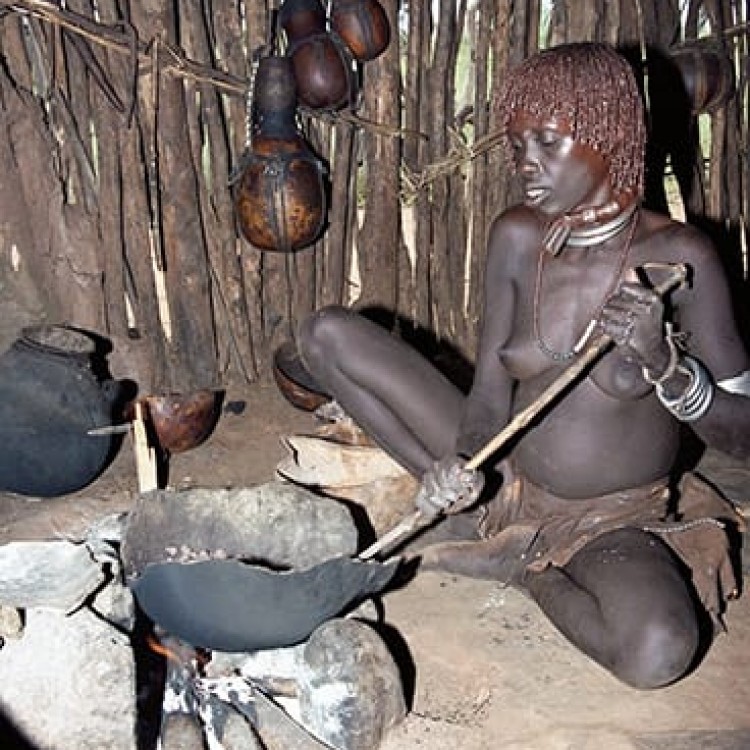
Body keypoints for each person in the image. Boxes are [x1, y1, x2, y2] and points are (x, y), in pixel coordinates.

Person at [293, 42, 750, 689]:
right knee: (326, 335)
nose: (525, 164)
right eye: (516, 145)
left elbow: (743, 433)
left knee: (660, 652)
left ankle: (526, 569)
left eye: (547, 142)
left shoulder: (680, 258)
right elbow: (486, 396)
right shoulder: (517, 237)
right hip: (505, 478)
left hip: (606, 518)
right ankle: (471, 511)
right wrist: (463, 462)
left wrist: (666, 366)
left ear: (607, 133)